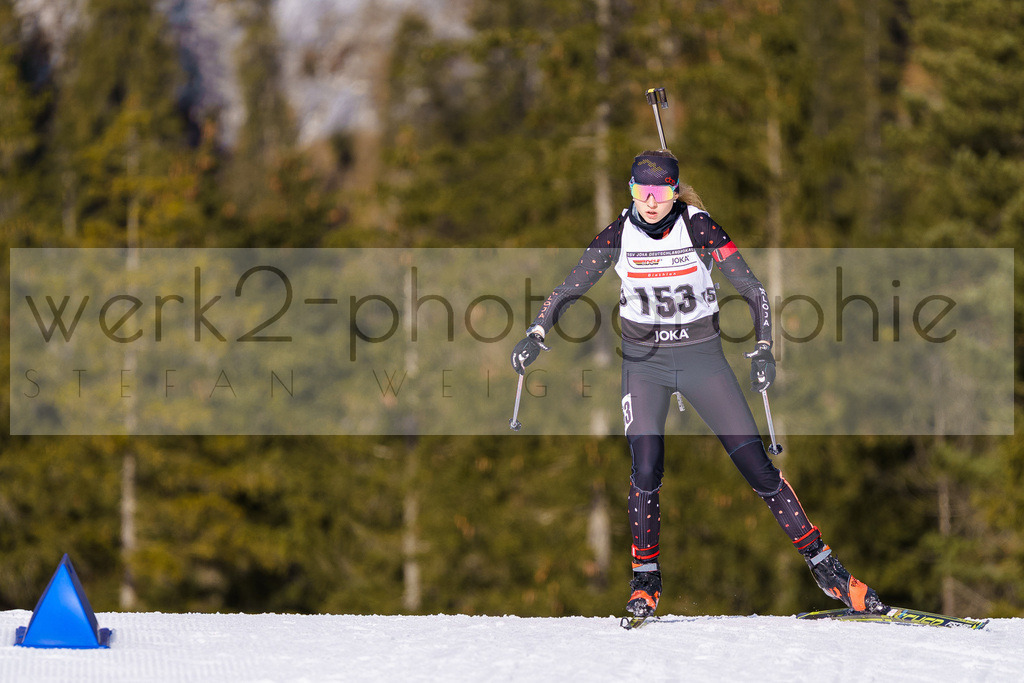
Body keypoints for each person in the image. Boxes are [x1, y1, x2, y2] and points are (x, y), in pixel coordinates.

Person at [510, 150, 884, 619]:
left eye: (661, 192)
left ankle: (830, 572)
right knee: (646, 467)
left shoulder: (700, 227)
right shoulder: (618, 235)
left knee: (758, 467)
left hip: (701, 358)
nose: (650, 203)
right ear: (630, 192)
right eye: (640, 192)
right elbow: (570, 287)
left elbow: (752, 288)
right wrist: (536, 333)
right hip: (644, 362)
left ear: (675, 191)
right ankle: (645, 582)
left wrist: (765, 346)